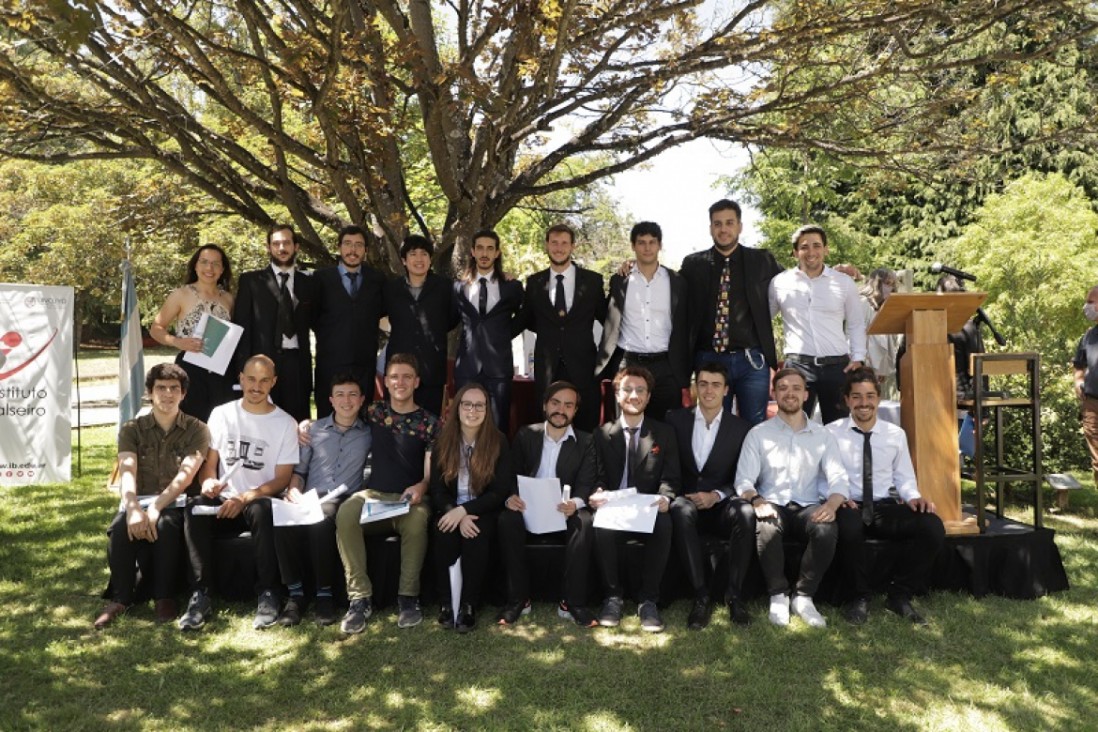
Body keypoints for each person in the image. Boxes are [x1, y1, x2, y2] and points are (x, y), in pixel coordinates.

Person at [178, 355, 299, 631]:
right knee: (195, 506)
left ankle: (269, 593)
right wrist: (209, 483)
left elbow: (281, 479)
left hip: (259, 500)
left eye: (264, 380)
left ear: (274, 382)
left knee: (260, 508)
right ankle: (201, 594)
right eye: (251, 379)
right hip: (225, 499)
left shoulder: (284, 423)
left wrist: (245, 497)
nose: (257, 386)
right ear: (241, 379)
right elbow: (209, 467)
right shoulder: (222, 414)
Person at [94, 363, 209, 629]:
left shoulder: (197, 429)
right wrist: (133, 507)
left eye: (174, 389)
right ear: (149, 392)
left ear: (183, 394)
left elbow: (186, 476)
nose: (167, 394)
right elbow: (127, 470)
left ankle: (164, 596)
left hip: (176, 500)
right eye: (161, 388)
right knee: (120, 528)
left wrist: (156, 508)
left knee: (166, 526)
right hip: (138, 497)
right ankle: (121, 598)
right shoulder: (132, 429)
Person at [829, 367, 945, 625]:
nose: (864, 403)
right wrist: (836, 498)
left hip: (884, 507)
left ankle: (900, 594)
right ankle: (858, 597)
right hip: (848, 503)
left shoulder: (895, 434)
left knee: (932, 526)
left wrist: (914, 497)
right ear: (847, 400)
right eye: (857, 396)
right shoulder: (830, 433)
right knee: (848, 525)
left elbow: (904, 477)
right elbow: (821, 477)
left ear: (878, 399)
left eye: (869, 396)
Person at [734, 368, 849, 628]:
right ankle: (778, 595)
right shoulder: (759, 434)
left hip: (808, 505)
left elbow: (839, 478)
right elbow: (743, 480)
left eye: (796, 388)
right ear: (774, 393)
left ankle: (804, 597)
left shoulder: (822, 435)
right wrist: (757, 501)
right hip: (772, 502)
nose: (790, 393)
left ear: (806, 394)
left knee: (825, 528)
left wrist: (832, 504)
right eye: (783, 388)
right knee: (767, 526)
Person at [333, 354, 440, 632]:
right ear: (386, 382)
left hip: (410, 501)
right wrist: (306, 426)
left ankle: (408, 598)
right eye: (394, 376)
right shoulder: (374, 412)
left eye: (406, 376)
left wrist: (421, 486)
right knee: (346, 512)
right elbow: (340, 416)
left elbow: (429, 474)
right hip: (375, 498)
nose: (400, 382)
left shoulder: (429, 422)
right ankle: (359, 599)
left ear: (416, 382)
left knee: (417, 521)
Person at [497, 381, 598, 628]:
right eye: (555, 403)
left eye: (568, 405)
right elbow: (510, 475)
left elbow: (587, 483)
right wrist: (511, 497)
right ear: (544, 405)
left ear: (575, 411)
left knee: (584, 521)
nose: (560, 410)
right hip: (528, 508)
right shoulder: (525, 435)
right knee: (506, 519)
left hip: (565, 510)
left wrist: (574, 503)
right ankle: (518, 599)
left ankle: (573, 602)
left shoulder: (586, 441)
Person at [273, 373, 370, 627]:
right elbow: (300, 472)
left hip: (344, 497)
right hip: (310, 495)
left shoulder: (369, 434)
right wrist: (292, 491)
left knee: (322, 519)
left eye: (352, 395)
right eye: (340, 394)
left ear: (361, 400)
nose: (346, 401)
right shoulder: (312, 431)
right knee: (282, 518)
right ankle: (295, 595)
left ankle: (324, 594)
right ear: (330, 399)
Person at [589, 366, 680, 633]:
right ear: (617, 395)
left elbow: (671, 478)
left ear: (649, 397)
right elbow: (598, 476)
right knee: (600, 523)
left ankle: (648, 600)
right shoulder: (602, 434)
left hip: (647, 506)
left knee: (664, 523)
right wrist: (597, 492)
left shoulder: (663, 433)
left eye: (640, 390)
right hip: (614, 506)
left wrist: (666, 498)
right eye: (627, 389)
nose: (634, 395)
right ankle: (612, 598)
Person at [665, 362, 754, 629]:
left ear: (726, 390)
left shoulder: (742, 428)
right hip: (686, 501)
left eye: (716, 385)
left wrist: (717, 494)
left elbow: (742, 475)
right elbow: (669, 467)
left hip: (721, 504)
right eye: (702, 384)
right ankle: (701, 595)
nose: (708, 390)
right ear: (695, 387)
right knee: (680, 510)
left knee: (746, 513)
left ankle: (735, 595)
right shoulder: (675, 420)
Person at [681, 199, 783, 425]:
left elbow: (795, 281)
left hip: (752, 361)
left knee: (755, 427)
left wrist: (829, 270)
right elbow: (670, 288)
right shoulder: (693, 264)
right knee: (714, 425)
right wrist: (635, 267)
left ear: (740, 226)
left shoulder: (762, 260)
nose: (723, 229)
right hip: (709, 359)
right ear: (710, 228)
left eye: (729, 223)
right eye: (717, 224)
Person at [430, 382, 514, 633]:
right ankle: (447, 604)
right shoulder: (442, 441)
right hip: (449, 507)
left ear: (487, 410)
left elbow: (499, 492)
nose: (473, 410)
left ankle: (468, 605)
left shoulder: (498, 441)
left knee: (475, 535)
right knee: (444, 532)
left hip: (483, 509)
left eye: (480, 405)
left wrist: (465, 512)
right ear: (457, 408)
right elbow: (437, 489)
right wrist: (453, 511)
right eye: (467, 404)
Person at [769, 225, 866, 424]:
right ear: (795, 252)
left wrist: (858, 357)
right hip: (797, 367)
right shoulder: (779, 283)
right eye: (804, 247)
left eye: (817, 246)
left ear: (826, 249)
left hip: (837, 368)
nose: (811, 252)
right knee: (792, 428)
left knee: (839, 430)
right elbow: (763, 321)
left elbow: (856, 323)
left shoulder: (843, 283)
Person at [595, 221, 690, 421]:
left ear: (659, 245)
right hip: (628, 362)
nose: (647, 247)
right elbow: (609, 317)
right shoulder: (619, 280)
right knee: (627, 427)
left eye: (652, 242)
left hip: (666, 365)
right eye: (641, 242)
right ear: (633, 246)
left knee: (665, 427)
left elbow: (685, 324)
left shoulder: (677, 282)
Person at [519, 224, 607, 431]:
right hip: (547, 370)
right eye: (554, 243)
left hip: (584, 368)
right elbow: (526, 320)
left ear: (572, 246)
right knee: (548, 430)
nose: (559, 248)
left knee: (586, 431)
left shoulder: (593, 281)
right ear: (547, 245)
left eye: (564, 243)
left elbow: (608, 320)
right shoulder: (534, 282)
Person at [232, 224, 316, 421]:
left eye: (286, 243)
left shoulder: (310, 283)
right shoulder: (250, 281)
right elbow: (242, 329)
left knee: (297, 422)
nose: (281, 248)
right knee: (260, 421)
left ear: (296, 247)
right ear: (269, 247)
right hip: (261, 366)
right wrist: (242, 371)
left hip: (297, 363)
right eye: (276, 243)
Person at [149, 244, 235, 422]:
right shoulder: (181, 295)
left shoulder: (229, 298)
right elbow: (156, 328)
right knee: (193, 422)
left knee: (222, 423)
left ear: (222, 269)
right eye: (204, 262)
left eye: (215, 263)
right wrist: (177, 342)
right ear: (195, 266)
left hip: (223, 372)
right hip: (191, 370)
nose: (209, 268)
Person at [312, 225, 386, 418]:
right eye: (348, 244)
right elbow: (311, 317)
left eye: (358, 245)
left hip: (364, 365)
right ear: (339, 247)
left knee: (361, 422)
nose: (352, 250)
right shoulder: (320, 279)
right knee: (327, 421)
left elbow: (385, 315)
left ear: (366, 251)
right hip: (330, 364)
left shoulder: (377, 280)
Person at [453, 229, 524, 432]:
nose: (485, 253)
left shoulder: (512, 287)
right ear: (473, 252)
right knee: (464, 425)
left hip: (499, 369)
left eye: (490, 248)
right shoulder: (458, 287)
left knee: (498, 426)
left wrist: (503, 334)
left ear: (497, 253)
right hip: (467, 368)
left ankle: (496, 464)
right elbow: (451, 319)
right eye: (480, 248)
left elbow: (525, 316)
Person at [383, 235, 457, 417]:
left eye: (424, 254)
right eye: (413, 254)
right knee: (396, 424)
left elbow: (453, 318)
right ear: (404, 260)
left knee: (430, 425)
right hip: (398, 369)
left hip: (432, 368)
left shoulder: (446, 288)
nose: (419, 259)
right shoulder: (391, 289)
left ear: (430, 259)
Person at [860, 267, 900, 400]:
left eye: (893, 284)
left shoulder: (884, 307)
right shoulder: (863, 303)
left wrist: (882, 368)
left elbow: (886, 339)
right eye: (888, 283)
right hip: (861, 367)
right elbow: (857, 336)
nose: (891, 288)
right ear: (877, 283)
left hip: (875, 370)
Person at [1074, 285, 1098, 489]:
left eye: (1091, 302)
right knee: (1097, 461)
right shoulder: (1088, 336)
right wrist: (1078, 382)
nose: (1086, 307)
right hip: (1092, 405)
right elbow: (1078, 365)